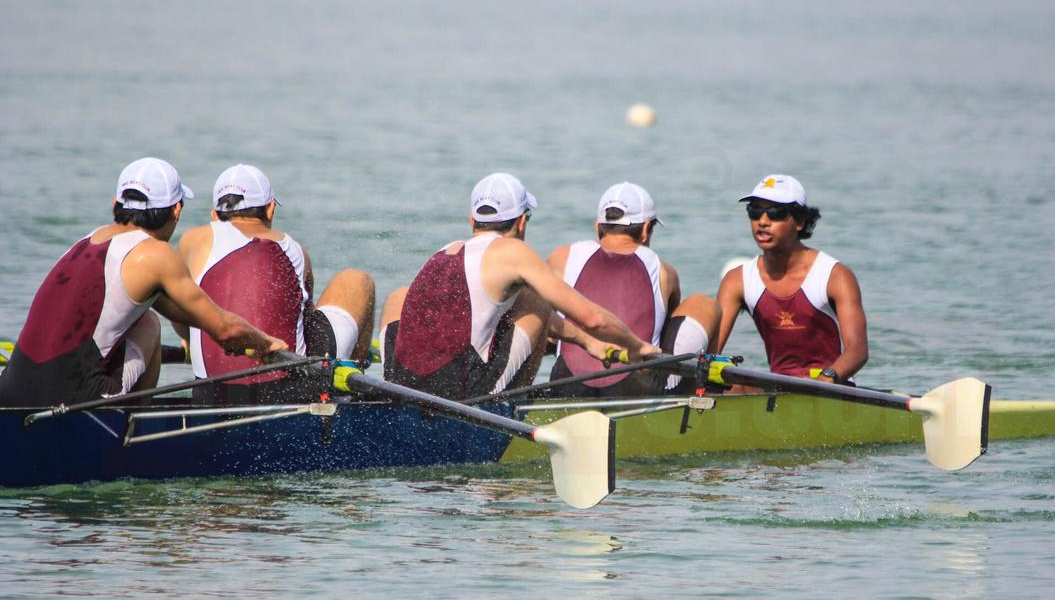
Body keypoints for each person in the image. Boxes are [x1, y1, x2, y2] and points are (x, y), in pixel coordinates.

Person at [0, 157, 288, 408]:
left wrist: (232, 337)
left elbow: (191, 316)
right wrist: (266, 343)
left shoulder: (87, 240)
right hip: (72, 400)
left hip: (10, 392)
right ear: (177, 211)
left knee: (140, 317)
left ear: (116, 204)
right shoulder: (155, 254)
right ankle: (131, 430)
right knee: (148, 324)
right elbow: (224, 329)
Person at [379, 173, 661, 401]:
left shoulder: (446, 251)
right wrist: (636, 348)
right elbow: (593, 318)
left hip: (403, 385)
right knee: (535, 301)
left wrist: (587, 342)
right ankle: (511, 405)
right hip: (461, 395)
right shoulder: (513, 252)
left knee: (398, 296)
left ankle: (388, 396)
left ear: (472, 221)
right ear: (522, 222)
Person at [176, 164, 375, 404]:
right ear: (270, 210)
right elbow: (305, 319)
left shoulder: (192, 240)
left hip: (210, 396)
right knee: (356, 280)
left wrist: (189, 340)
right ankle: (348, 401)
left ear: (214, 216)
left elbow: (181, 315)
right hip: (289, 395)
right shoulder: (297, 252)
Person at [545, 182, 720, 397]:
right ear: (646, 230)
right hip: (635, 393)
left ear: (597, 226)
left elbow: (547, 334)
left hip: (565, 387)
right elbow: (666, 336)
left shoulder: (560, 258)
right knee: (704, 304)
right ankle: (705, 399)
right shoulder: (665, 272)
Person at [715, 174, 867, 384]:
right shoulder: (737, 281)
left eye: (775, 213)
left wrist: (828, 377)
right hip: (777, 387)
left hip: (831, 389)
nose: (763, 221)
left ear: (800, 222)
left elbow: (858, 350)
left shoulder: (835, 276)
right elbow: (712, 353)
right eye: (755, 211)